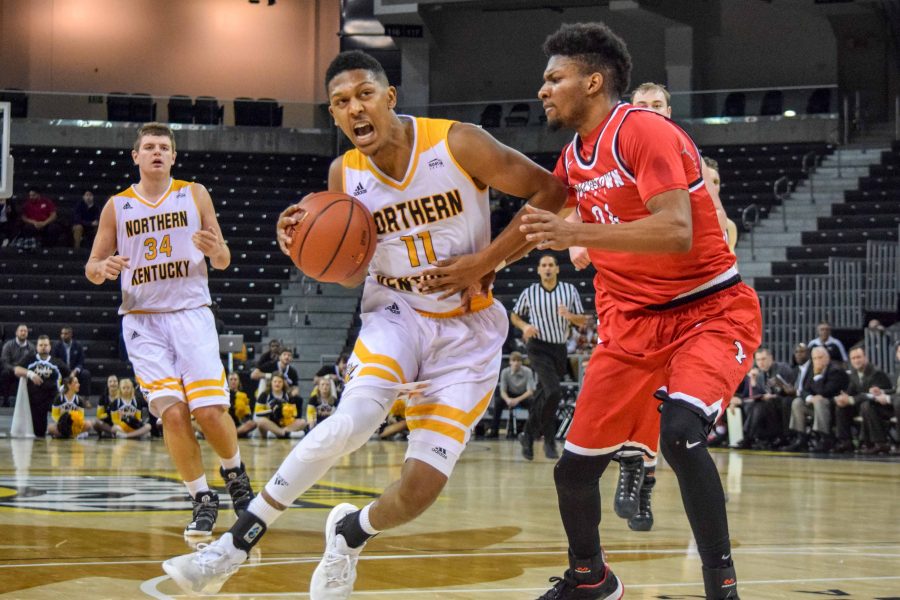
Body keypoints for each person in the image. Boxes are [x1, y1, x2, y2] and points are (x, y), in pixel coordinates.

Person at [162, 50, 565, 597]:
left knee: (418, 491)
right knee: (350, 423)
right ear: (333, 115)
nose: (354, 109)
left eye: (364, 95)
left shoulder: (458, 142)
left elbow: (553, 193)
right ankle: (233, 546)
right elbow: (349, 273)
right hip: (393, 313)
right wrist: (302, 248)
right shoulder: (343, 174)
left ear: (390, 97)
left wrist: (485, 261)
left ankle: (349, 533)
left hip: (467, 331)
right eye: (340, 103)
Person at [419, 23, 761, 599]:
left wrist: (574, 229)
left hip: (707, 310)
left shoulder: (644, 132)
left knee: (681, 435)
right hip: (629, 325)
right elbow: (536, 221)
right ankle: (590, 579)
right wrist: (481, 264)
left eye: (555, 78)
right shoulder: (576, 157)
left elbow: (677, 230)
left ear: (593, 81)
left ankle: (720, 586)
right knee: (573, 471)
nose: (543, 90)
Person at [85, 122, 253, 536]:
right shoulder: (117, 206)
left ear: (174, 156)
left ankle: (234, 474)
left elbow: (225, 258)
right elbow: (92, 267)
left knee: (210, 412)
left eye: (164, 146)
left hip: (191, 313)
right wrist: (102, 269)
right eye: (149, 146)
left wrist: (218, 251)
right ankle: (201, 498)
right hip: (142, 320)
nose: (156, 152)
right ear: (136, 156)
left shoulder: (194, 194)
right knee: (173, 413)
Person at [510, 254, 585, 459]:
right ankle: (548, 441)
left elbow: (582, 320)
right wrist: (525, 326)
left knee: (544, 395)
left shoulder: (569, 291)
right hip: (537, 347)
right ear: (539, 270)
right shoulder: (530, 292)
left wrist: (569, 316)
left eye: (551, 265)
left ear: (557, 269)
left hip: (559, 349)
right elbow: (515, 315)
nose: (548, 268)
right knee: (553, 391)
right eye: (544, 265)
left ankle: (528, 435)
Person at [784, 346, 849, 452]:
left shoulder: (835, 370)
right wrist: (810, 397)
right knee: (798, 402)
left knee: (820, 401)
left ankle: (825, 438)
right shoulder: (812, 370)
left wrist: (818, 376)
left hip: (834, 406)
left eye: (820, 357)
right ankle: (801, 438)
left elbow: (825, 392)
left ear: (827, 357)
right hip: (817, 406)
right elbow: (804, 390)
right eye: (814, 358)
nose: (817, 361)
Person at [833, 344, 891, 453]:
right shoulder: (854, 374)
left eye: (858, 357)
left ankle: (880, 443)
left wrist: (851, 400)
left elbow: (872, 396)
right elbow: (850, 392)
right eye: (853, 358)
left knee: (867, 405)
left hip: (882, 407)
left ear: (865, 358)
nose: (856, 360)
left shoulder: (876, 373)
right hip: (863, 407)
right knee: (841, 407)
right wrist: (843, 398)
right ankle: (846, 442)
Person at [14, 335, 70, 437]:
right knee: (39, 433)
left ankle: (59, 431)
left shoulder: (57, 362)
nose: (43, 347)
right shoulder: (30, 360)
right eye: (41, 345)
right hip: (36, 401)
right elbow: (16, 370)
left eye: (45, 345)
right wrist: (30, 374)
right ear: (37, 347)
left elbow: (70, 377)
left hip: (54, 399)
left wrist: (65, 388)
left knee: (65, 421)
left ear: (50, 347)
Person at [859, 343, 900, 455]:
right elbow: (896, 391)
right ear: (897, 355)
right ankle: (880, 443)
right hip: (895, 405)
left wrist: (888, 398)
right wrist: (881, 392)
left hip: (897, 404)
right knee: (867, 405)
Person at [488, 351, 536, 438]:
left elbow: (530, 391)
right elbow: (503, 390)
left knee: (533, 403)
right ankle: (494, 430)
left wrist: (517, 400)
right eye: (514, 360)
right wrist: (508, 400)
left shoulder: (528, 371)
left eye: (518, 361)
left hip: (522, 395)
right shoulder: (505, 372)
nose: (516, 363)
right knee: (498, 402)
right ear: (510, 362)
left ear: (521, 362)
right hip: (509, 395)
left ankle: (532, 431)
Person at [253, 373, 306, 439]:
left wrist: (283, 411)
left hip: (285, 425)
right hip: (270, 424)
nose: (277, 384)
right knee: (261, 421)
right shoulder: (264, 395)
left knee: (302, 422)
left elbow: (294, 414)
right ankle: (283, 433)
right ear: (271, 382)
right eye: (275, 381)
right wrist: (271, 411)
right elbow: (257, 413)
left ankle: (279, 433)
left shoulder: (288, 396)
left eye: (280, 382)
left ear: (283, 383)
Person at [51, 326, 93, 405]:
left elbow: (81, 361)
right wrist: (65, 369)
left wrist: (75, 371)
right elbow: (54, 360)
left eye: (66, 334)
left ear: (71, 334)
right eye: (62, 334)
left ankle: (85, 399)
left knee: (86, 374)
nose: (63, 335)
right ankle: (57, 399)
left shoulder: (78, 346)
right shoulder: (57, 346)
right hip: (62, 371)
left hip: (75, 371)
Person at [48, 374, 96, 439]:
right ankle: (74, 435)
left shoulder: (78, 399)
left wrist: (74, 421)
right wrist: (62, 421)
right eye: (76, 383)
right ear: (69, 385)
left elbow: (81, 417)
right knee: (50, 428)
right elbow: (54, 415)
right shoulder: (59, 398)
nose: (79, 384)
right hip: (62, 425)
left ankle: (67, 435)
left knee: (89, 424)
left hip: (75, 425)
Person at [1, 324, 34, 406]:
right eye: (21, 331)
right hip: (11, 371)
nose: (23, 333)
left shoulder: (31, 347)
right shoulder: (8, 345)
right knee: (4, 374)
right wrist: (15, 369)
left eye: (25, 331)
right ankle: (5, 400)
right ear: (16, 333)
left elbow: (33, 363)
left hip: (25, 372)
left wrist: (25, 372)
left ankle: (29, 402)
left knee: (33, 375)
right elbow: (4, 362)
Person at [227, 371, 257, 438]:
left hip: (239, 424)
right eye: (231, 379)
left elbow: (247, 415)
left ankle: (231, 434)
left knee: (252, 423)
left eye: (235, 379)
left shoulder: (243, 396)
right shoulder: (223, 395)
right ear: (227, 381)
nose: (233, 381)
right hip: (225, 423)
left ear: (238, 381)